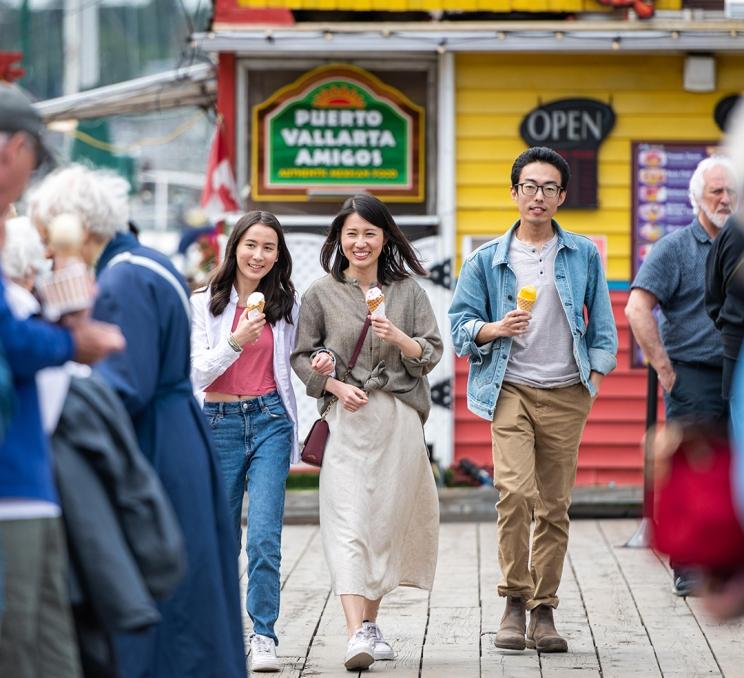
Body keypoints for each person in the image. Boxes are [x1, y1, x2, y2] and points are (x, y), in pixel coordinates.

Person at [29, 164, 247, 678]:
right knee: (197, 582)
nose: (47, 252)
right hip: (178, 431)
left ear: (75, 228)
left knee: (165, 583)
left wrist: (65, 374)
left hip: (153, 443)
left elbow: (124, 383)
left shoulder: (122, 278)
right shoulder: (145, 261)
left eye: (48, 237)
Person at [449, 146, 617, 654]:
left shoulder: (583, 253)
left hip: (567, 390)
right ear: (514, 192)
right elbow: (458, 328)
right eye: (529, 186)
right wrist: (493, 328)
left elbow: (604, 326)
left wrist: (597, 374)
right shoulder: (486, 260)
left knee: (554, 505)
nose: (538, 196)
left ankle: (544, 609)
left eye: (548, 188)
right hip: (510, 388)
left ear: (562, 196)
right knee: (515, 493)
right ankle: (514, 601)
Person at [0, 85, 125, 678]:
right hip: (12, 482)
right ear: (14, 150)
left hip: (26, 476)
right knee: (22, 643)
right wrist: (72, 340)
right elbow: (10, 340)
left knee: (49, 645)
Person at [291, 194, 442, 671]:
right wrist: (330, 379)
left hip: (397, 420)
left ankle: (370, 625)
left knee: (384, 522)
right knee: (347, 519)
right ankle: (356, 630)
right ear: (339, 238)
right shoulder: (320, 293)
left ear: (385, 238)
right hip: (346, 421)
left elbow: (431, 352)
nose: (360, 242)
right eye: (351, 233)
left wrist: (399, 337)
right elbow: (300, 356)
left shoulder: (408, 291)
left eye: (369, 233)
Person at [190, 210, 316, 673]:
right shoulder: (205, 303)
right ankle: (219, 632)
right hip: (218, 421)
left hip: (269, 421)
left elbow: (301, 359)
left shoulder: (287, 305)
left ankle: (264, 635)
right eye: (251, 245)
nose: (258, 255)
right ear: (234, 247)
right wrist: (236, 341)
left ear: (278, 254)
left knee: (264, 536)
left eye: (269, 247)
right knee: (220, 536)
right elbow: (196, 372)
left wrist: (320, 363)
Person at [626, 155, 737, 596]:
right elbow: (637, 307)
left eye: (731, 191)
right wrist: (666, 370)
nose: (726, 199)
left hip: (739, 372)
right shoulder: (674, 248)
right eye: (716, 191)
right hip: (693, 374)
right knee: (694, 470)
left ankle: (730, 564)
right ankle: (689, 565)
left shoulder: (741, 244)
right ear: (696, 199)